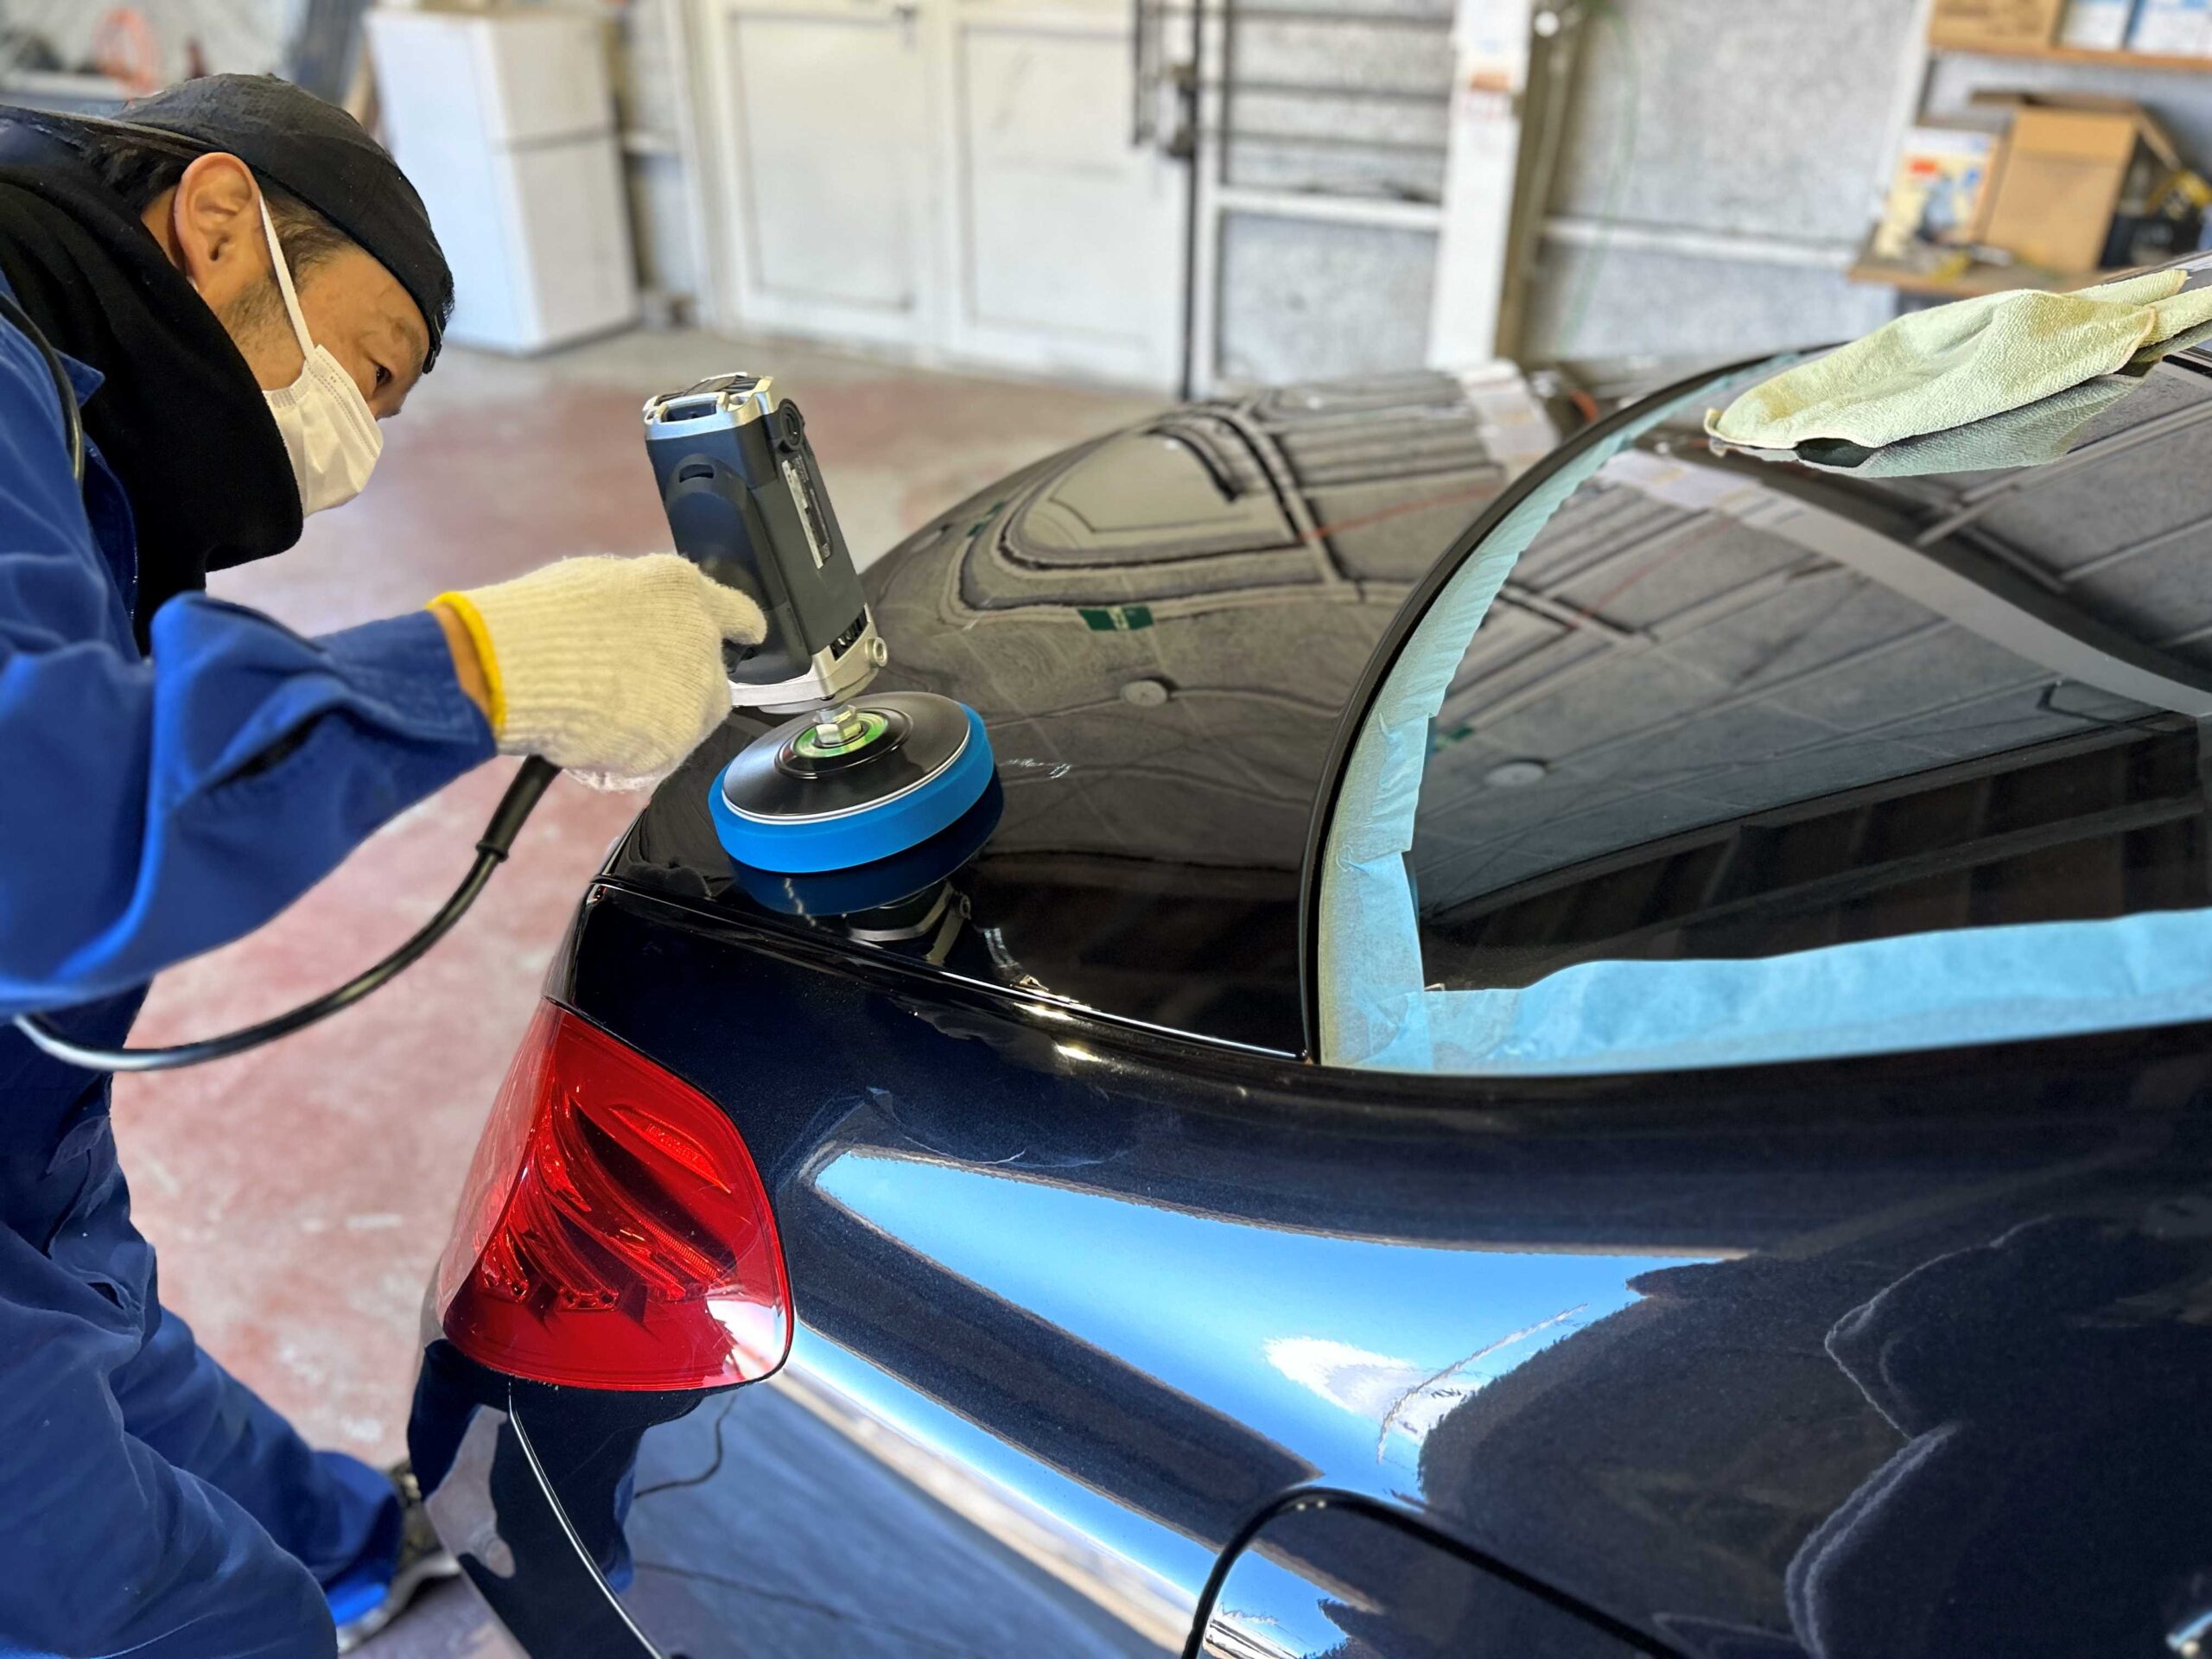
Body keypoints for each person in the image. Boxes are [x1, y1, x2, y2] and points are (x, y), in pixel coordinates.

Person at [0, 76, 764, 1658]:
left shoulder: (72, 399)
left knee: (126, 1349)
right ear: (220, 223)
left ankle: (363, 1539)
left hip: (25, 1128)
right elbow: (36, 834)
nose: (357, 440)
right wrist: (481, 665)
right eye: (369, 367)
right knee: (174, 1613)